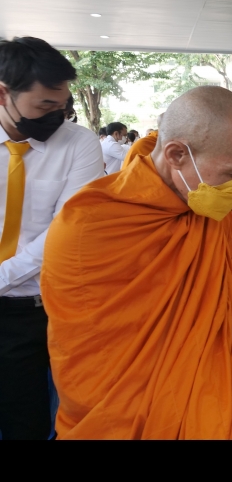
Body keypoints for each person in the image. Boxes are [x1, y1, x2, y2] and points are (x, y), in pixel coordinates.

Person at [41, 86, 232, 439]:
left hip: (209, 381)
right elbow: (103, 376)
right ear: (176, 154)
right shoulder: (89, 228)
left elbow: (205, 315)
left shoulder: (205, 208)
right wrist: (216, 416)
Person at [0, 36, 104, 439]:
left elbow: (67, 232)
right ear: (4, 93)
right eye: (44, 106)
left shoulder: (78, 143)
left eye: (62, 107)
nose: (56, 116)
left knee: (51, 414)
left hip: (49, 301)